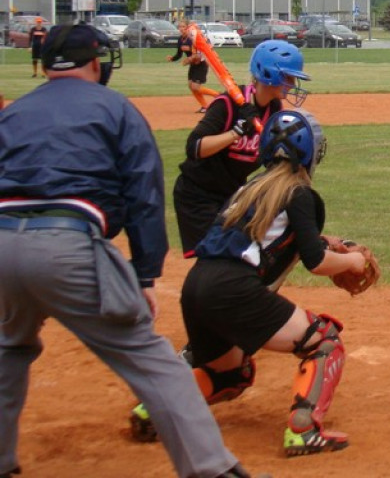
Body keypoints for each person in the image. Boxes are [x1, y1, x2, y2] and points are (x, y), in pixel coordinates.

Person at [0, 23, 258, 478]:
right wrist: (143, 276)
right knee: (152, 360)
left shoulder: (14, 112)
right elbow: (144, 195)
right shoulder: (115, 108)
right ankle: (212, 470)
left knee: (8, 349)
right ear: (97, 63)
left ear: (43, 66)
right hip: (65, 245)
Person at [130, 109, 371, 458]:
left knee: (230, 375)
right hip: (233, 290)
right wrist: (352, 260)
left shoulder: (247, 188)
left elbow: (268, 238)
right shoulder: (300, 194)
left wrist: (321, 241)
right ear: (310, 153)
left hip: (197, 286)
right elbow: (315, 261)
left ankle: (154, 410)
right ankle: (304, 430)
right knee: (325, 342)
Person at [173, 40, 310, 258]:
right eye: (288, 77)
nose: (292, 84)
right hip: (198, 194)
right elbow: (195, 147)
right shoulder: (226, 104)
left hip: (232, 195)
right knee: (215, 259)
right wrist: (236, 132)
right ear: (268, 74)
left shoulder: (273, 108)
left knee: (240, 255)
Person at [169, 21, 219, 112]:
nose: (181, 28)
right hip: (193, 65)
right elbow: (179, 54)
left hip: (201, 64)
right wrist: (172, 58)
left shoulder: (192, 39)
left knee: (196, 87)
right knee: (190, 86)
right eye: (179, 27)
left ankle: (218, 95)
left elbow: (199, 56)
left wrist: (190, 59)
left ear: (187, 28)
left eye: (183, 26)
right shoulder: (180, 40)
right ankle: (205, 106)